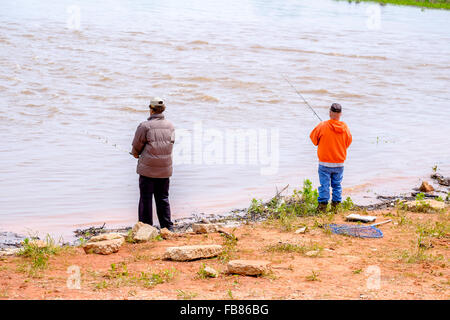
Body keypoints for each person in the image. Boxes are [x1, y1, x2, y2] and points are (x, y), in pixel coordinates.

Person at [131, 97, 175, 230]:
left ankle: (145, 229)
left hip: (147, 171)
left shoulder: (145, 126)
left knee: (146, 199)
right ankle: (167, 228)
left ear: (151, 110)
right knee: (163, 199)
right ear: (163, 110)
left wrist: (135, 154)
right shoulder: (170, 126)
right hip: (164, 170)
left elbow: (136, 146)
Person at [309, 103, 352, 213]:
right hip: (339, 163)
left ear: (330, 112)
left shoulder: (322, 125)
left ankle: (322, 208)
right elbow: (348, 142)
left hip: (325, 163)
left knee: (324, 185)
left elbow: (313, 140)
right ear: (340, 114)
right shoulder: (345, 128)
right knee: (337, 185)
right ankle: (335, 207)